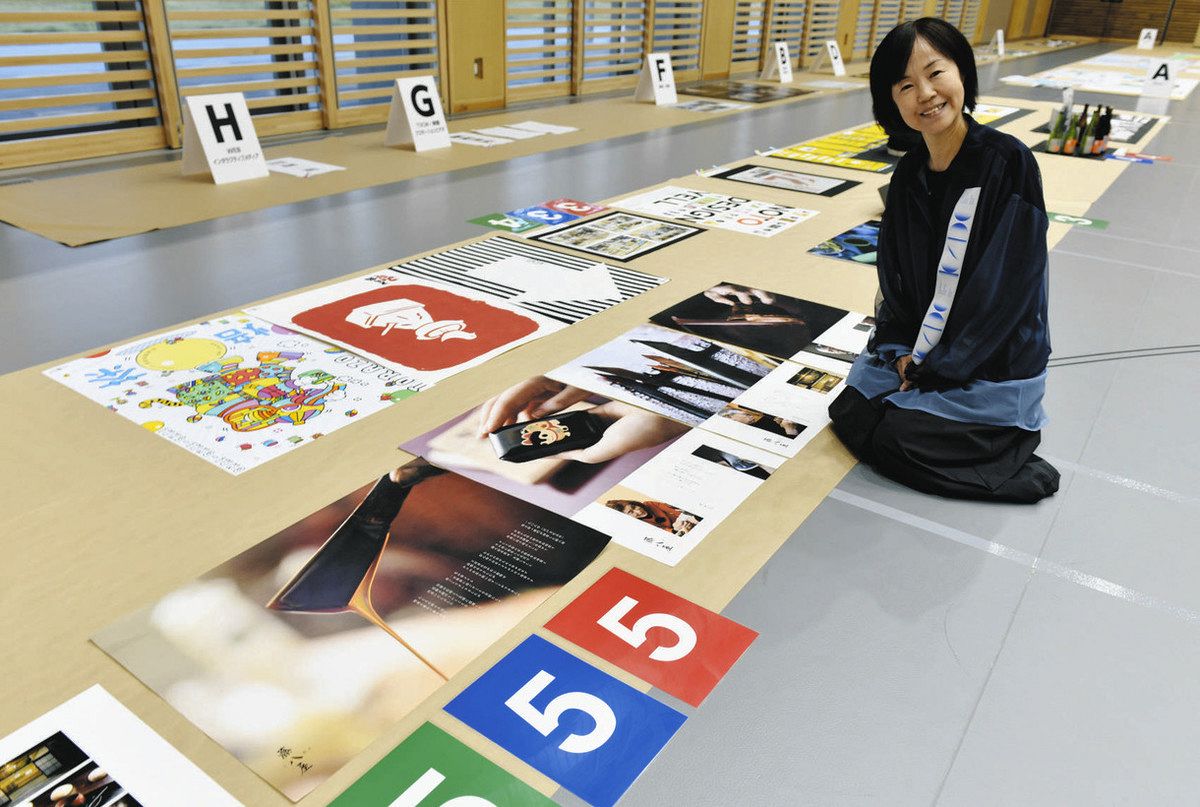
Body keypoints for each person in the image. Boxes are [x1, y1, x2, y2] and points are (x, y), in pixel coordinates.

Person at [828, 17, 1060, 503]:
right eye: (906, 85)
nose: (925, 94)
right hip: (930, 346)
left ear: (963, 73)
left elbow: (1006, 287)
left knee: (895, 440)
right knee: (850, 409)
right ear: (891, 101)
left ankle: (1008, 450)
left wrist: (942, 365)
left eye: (936, 74)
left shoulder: (1008, 162)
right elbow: (896, 277)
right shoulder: (911, 170)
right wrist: (900, 347)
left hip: (991, 352)